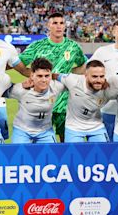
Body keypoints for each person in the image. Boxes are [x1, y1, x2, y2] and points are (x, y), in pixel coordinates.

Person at [18, 12, 87, 142]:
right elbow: (19, 64)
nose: (58, 26)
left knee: (66, 140)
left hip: (65, 103)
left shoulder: (73, 47)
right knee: (38, 140)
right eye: (55, 23)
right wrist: (33, 76)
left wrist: (69, 75)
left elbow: (84, 65)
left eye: (61, 23)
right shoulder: (37, 46)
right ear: (48, 26)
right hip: (41, 102)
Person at [7, 58, 64, 143]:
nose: (44, 80)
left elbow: (75, 84)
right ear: (32, 75)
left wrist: (59, 76)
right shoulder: (20, 90)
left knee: (51, 155)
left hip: (45, 132)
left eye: (47, 76)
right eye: (39, 76)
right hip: (22, 131)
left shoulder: (57, 87)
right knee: (18, 155)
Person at [55, 60, 115, 142]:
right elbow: (55, 76)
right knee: (74, 154)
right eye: (94, 76)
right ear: (86, 75)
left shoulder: (109, 88)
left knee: (103, 153)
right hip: (74, 127)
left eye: (101, 76)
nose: (99, 80)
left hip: (96, 127)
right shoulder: (73, 80)